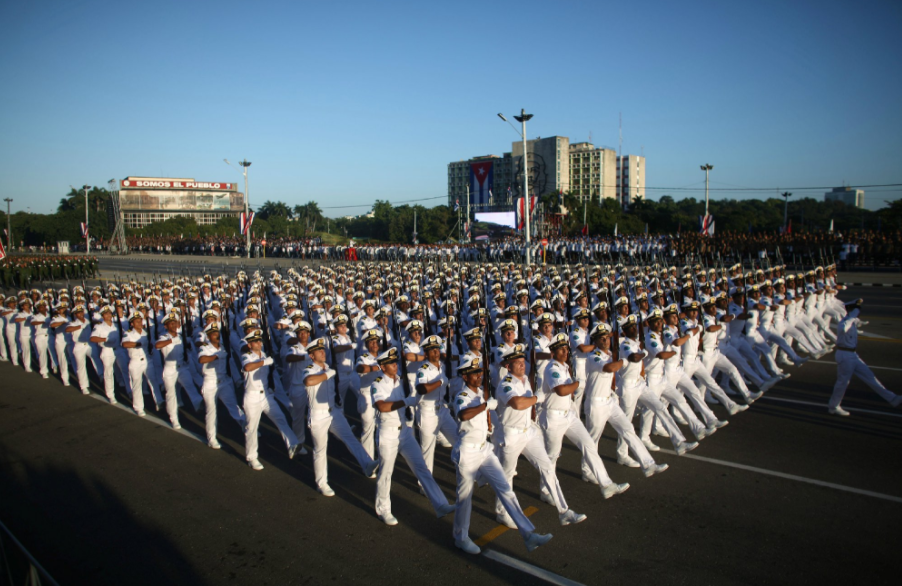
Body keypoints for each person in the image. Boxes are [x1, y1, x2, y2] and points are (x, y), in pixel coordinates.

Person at [451, 353, 553, 555]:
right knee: (465, 498)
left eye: (479, 371)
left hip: (484, 449)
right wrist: (484, 406)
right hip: (468, 452)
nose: (478, 375)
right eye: (473, 373)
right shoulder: (462, 396)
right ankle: (460, 538)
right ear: (464, 377)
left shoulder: (480, 392)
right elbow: (463, 415)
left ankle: (528, 534)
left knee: (506, 488)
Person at [493, 343, 587, 529]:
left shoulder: (525, 380)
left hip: (528, 432)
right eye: (517, 362)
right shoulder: (505, 384)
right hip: (511, 434)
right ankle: (502, 512)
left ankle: (564, 511)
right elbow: (518, 404)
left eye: (523, 361)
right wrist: (537, 399)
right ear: (507, 366)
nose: (522, 364)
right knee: (507, 475)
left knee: (547, 467)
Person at [371, 347, 456, 526]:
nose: (395, 365)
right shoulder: (378, 383)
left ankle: (440, 504)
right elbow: (382, 407)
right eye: (391, 363)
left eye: (395, 362)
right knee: (386, 473)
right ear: (382, 367)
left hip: (405, 432)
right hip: (388, 433)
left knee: (422, 468)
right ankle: (383, 509)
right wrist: (407, 401)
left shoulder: (400, 379)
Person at [540, 332, 630, 498]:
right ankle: (546, 491)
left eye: (566, 349)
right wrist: (577, 384)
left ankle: (606, 484)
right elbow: (561, 390)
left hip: (569, 415)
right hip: (554, 417)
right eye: (560, 350)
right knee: (552, 456)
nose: (565, 352)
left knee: (589, 444)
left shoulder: (565, 367)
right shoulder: (551, 368)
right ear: (553, 353)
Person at [303, 337, 378, 496]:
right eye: (318, 351)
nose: (322, 352)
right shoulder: (310, 369)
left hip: (333, 412)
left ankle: (367, 464)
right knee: (320, 450)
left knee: (350, 438)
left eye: (323, 350)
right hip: (318, 415)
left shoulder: (328, 366)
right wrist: (326, 375)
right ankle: (322, 483)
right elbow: (309, 381)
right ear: (311, 355)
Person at [828, 299, 902, 416]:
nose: (858, 313)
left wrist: (856, 311)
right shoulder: (844, 322)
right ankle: (833, 407)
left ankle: (893, 398)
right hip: (845, 355)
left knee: (870, 377)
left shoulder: (852, 321)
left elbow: (856, 320)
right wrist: (852, 317)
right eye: (856, 311)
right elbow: (843, 328)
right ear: (851, 311)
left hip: (853, 355)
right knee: (843, 382)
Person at [241, 329, 301, 471]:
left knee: (280, 418)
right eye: (255, 341)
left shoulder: (263, 354)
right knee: (252, 428)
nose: (259, 343)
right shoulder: (247, 356)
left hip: (266, 395)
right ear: (249, 345)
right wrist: (263, 362)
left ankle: (293, 444)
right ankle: (252, 457)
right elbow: (247, 367)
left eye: (259, 340)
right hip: (252, 396)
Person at [197, 322, 246, 449]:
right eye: (213, 333)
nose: (216, 335)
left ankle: (247, 427)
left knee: (235, 407)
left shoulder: (223, 346)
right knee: (211, 412)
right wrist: (215, 356)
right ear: (208, 336)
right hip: (210, 383)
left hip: (223, 381)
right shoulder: (205, 347)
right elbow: (202, 359)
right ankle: (211, 438)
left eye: (217, 332)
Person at [121, 313, 163, 416]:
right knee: (137, 384)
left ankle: (159, 401)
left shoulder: (145, 332)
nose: (140, 323)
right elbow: (124, 344)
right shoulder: (129, 333)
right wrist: (137, 344)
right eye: (137, 321)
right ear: (132, 323)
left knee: (153, 381)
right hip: (135, 361)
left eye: (140, 321)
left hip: (147, 360)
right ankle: (139, 407)